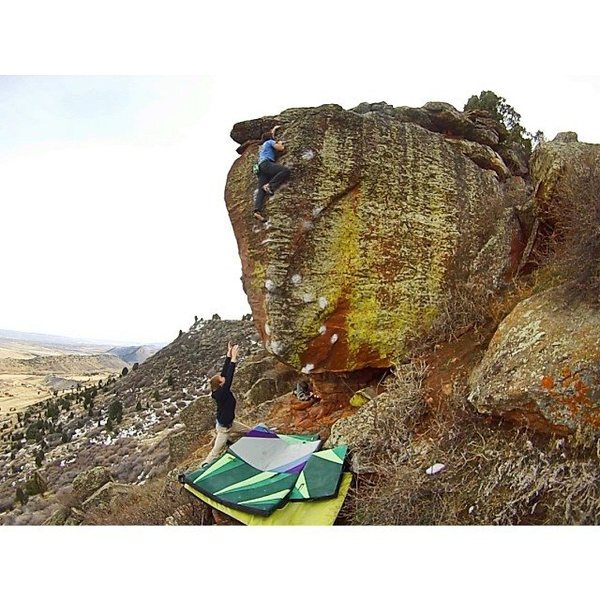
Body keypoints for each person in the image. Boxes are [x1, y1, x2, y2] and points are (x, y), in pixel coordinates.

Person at [202, 342, 249, 467]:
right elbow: (230, 376)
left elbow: (224, 374)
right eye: (222, 379)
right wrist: (234, 359)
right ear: (221, 384)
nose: (223, 378)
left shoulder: (219, 388)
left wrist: (228, 356)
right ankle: (203, 467)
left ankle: (231, 441)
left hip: (231, 423)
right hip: (224, 429)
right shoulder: (222, 393)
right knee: (215, 453)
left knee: (250, 431)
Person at [253, 125, 291, 222]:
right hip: (267, 164)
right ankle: (270, 186)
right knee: (285, 171)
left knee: (260, 191)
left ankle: (257, 211)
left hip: (261, 168)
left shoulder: (264, 145)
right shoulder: (270, 142)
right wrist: (280, 143)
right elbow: (280, 148)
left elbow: (270, 135)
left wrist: (274, 128)